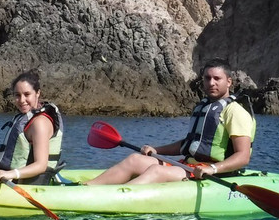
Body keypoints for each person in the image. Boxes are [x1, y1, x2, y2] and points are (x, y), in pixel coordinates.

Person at [86, 59, 254, 185]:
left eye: (217, 78)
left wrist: (212, 169)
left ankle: (115, 197)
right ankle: (87, 187)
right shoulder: (205, 107)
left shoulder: (235, 112)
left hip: (213, 173)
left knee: (156, 171)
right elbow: (188, 144)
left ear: (229, 82)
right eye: (207, 78)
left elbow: (243, 156)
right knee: (134, 160)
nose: (211, 83)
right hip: (190, 166)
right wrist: (156, 149)